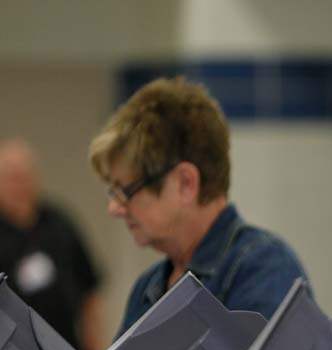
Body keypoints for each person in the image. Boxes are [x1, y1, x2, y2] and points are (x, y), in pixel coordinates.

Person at [88, 77, 311, 336]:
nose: (114, 208)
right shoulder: (147, 290)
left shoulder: (264, 270)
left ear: (186, 183)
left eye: (125, 191)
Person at [0, 139, 104, 350]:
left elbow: (89, 289)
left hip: (67, 349)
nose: (19, 185)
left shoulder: (59, 222)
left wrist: (95, 345)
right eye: (11, 178)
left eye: (24, 177)